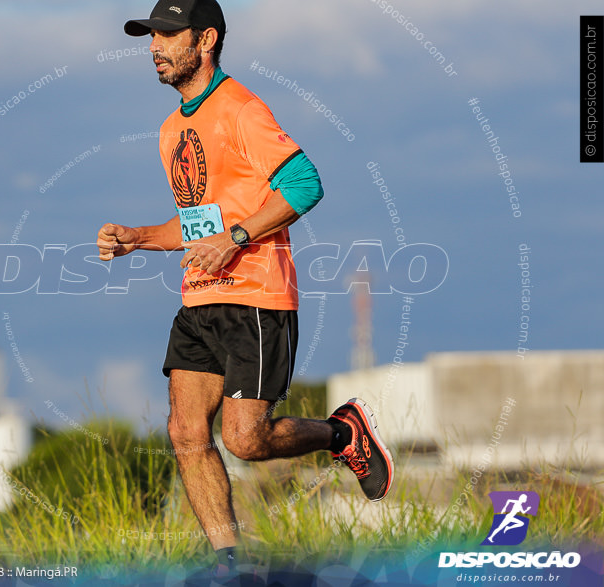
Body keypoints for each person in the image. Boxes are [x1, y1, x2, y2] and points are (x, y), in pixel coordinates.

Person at [96, 0, 394, 576]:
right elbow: (203, 219)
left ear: (205, 39)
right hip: (199, 298)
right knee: (186, 432)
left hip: (256, 298)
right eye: (149, 37)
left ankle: (341, 432)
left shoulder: (240, 108)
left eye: (166, 35)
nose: (154, 48)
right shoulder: (170, 130)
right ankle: (226, 565)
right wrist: (141, 236)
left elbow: (304, 184)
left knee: (245, 440)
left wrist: (236, 238)